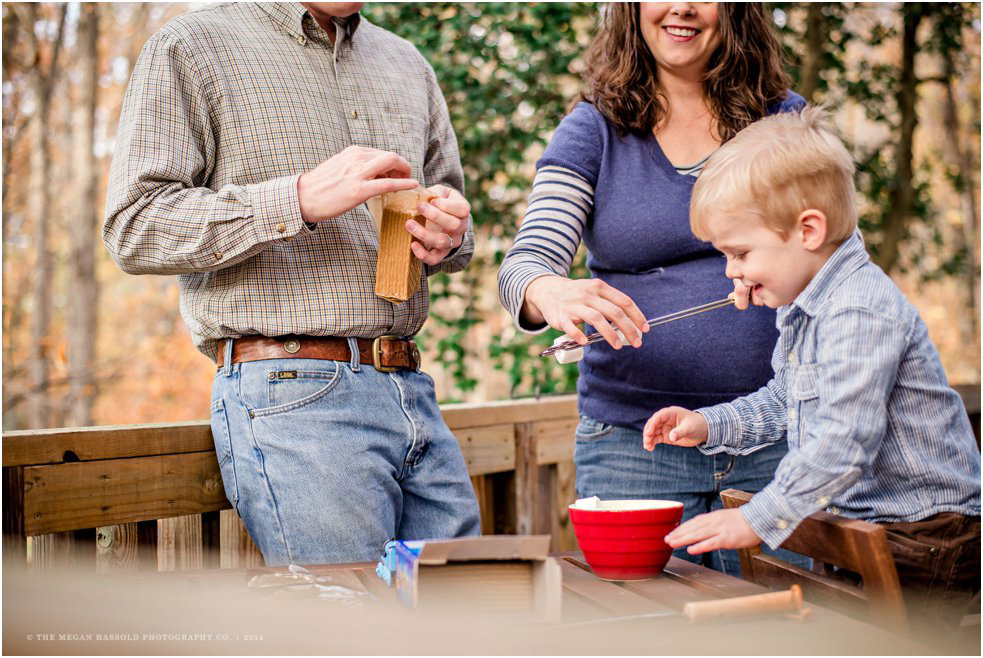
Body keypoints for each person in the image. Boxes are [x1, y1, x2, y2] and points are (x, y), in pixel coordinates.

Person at [103, 2, 480, 566]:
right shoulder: (193, 44)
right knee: (351, 636)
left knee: (471, 621)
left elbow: (450, 212)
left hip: (411, 389)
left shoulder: (408, 64)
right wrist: (296, 199)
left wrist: (450, 234)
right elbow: (134, 227)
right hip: (291, 395)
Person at [644, 107, 981, 646]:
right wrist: (709, 425)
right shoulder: (808, 309)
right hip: (862, 526)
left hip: (925, 532)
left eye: (740, 253)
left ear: (807, 230)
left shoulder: (858, 311)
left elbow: (844, 441)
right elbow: (786, 400)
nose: (731, 271)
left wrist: (757, 518)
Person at [498, 2, 805, 575]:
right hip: (635, 450)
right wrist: (549, 289)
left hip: (780, 446)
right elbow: (526, 260)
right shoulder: (594, 128)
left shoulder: (784, 123)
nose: (682, 7)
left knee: (783, 631)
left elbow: (837, 257)